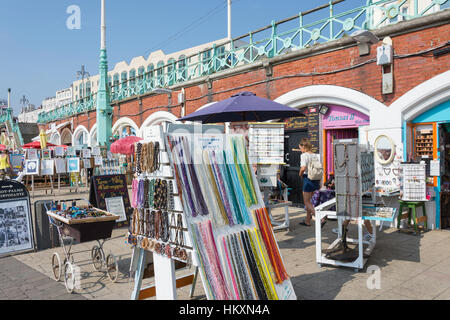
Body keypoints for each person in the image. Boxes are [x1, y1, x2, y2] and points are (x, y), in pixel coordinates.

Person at [298, 138, 327, 227]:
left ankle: (320, 218)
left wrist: (300, 175)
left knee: (306, 202)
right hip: (315, 179)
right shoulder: (314, 155)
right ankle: (307, 220)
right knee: (310, 201)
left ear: (303, 146)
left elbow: (303, 168)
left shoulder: (304, 155)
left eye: (300, 147)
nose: (300, 149)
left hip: (308, 178)